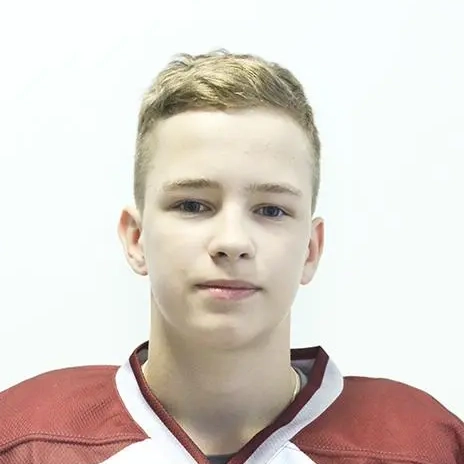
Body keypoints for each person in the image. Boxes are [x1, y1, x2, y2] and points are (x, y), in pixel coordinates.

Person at [0, 50, 463, 464]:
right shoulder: (25, 442)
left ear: (310, 249)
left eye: (271, 210)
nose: (232, 240)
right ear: (136, 238)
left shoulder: (425, 447)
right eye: (192, 205)